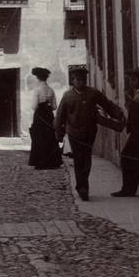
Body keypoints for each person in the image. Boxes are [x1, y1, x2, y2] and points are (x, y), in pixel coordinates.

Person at [55, 67, 124, 201]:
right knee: (79, 159)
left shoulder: (93, 93)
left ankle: (83, 186)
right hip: (74, 133)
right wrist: (59, 134)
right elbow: (60, 116)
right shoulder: (67, 96)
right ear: (73, 81)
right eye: (77, 80)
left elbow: (107, 104)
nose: (80, 82)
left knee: (86, 158)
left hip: (89, 132)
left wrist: (118, 113)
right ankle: (82, 187)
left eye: (82, 80)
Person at [112, 66, 139, 197]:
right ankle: (129, 188)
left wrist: (131, 108)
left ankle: (128, 189)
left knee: (128, 158)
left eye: (134, 80)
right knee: (130, 159)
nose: (132, 83)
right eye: (131, 80)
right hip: (138, 133)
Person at [28, 67, 62, 169]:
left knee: (39, 137)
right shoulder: (51, 90)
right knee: (50, 137)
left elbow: (34, 106)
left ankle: (40, 162)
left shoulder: (37, 90)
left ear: (38, 79)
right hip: (49, 116)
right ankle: (52, 162)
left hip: (40, 116)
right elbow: (55, 106)